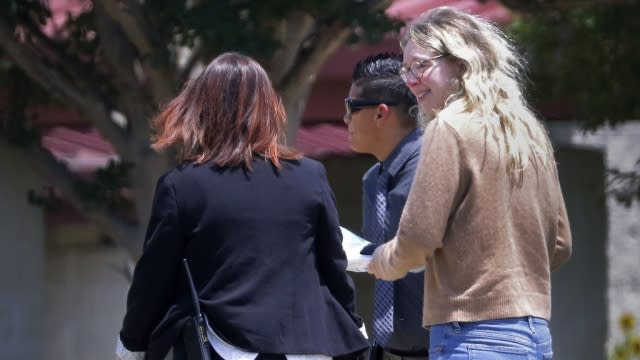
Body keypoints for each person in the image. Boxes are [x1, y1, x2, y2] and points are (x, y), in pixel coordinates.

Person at [117, 52, 369, 360]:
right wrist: (352, 324)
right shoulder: (309, 176)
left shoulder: (182, 185)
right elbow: (332, 266)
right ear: (268, 108)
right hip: (306, 346)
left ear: (202, 108)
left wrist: (131, 343)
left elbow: (153, 279)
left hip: (224, 346)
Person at [367, 7, 572, 360]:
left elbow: (418, 239)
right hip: (535, 335)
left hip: (472, 336)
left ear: (461, 63)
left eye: (421, 65)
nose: (411, 79)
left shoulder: (449, 126)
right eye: (407, 68)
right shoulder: (529, 132)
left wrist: (379, 259)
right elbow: (561, 244)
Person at [343, 53, 429, 360]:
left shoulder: (434, 167)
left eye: (350, 108)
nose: (346, 119)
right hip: (388, 351)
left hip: (445, 348)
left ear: (380, 113)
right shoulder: (373, 179)